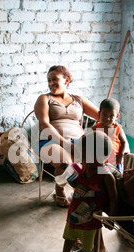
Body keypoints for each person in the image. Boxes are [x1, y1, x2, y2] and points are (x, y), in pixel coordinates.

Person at [34, 65, 100, 207]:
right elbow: (45, 124)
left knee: (96, 164)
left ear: (66, 80)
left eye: (54, 79)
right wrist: (66, 143)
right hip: (50, 142)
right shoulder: (45, 99)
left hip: (78, 141)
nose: (51, 83)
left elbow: (102, 116)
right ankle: (60, 189)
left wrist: (94, 131)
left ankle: (85, 191)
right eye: (49, 80)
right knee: (68, 165)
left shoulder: (78, 100)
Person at [57, 131, 118, 252]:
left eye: (84, 156)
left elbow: (113, 198)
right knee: (69, 237)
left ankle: (87, 251)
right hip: (74, 213)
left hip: (92, 217)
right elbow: (77, 185)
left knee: (87, 239)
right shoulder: (84, 170)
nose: (80, 159)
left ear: (99, 157)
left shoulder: (106, 176)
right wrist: (66, 172)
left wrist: (111, 218)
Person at [93, 98, 128, 172]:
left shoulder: (117, 129)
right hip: (100, 163)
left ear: (117, 116)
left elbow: (124, 142)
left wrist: (121, 154)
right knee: (102, 180)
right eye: (104, 115)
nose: (107, 119)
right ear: (99, 114)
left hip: (115, 162)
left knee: (117, 180)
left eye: (111, 116)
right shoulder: (96, 128)